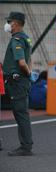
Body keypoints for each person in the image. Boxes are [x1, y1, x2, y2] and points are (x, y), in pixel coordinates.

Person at [3, 12, 33, 156]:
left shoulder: (16, 40)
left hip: (17, 82)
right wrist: (29, 74)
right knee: (22, 113)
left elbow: (22, 62)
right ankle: (26, 145)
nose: (7, 24)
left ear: (14, 24)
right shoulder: (26, 39)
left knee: (21, 113)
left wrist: (26, 73)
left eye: (9, 21)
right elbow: (29, 59)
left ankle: (25, 146)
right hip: (21, 81)